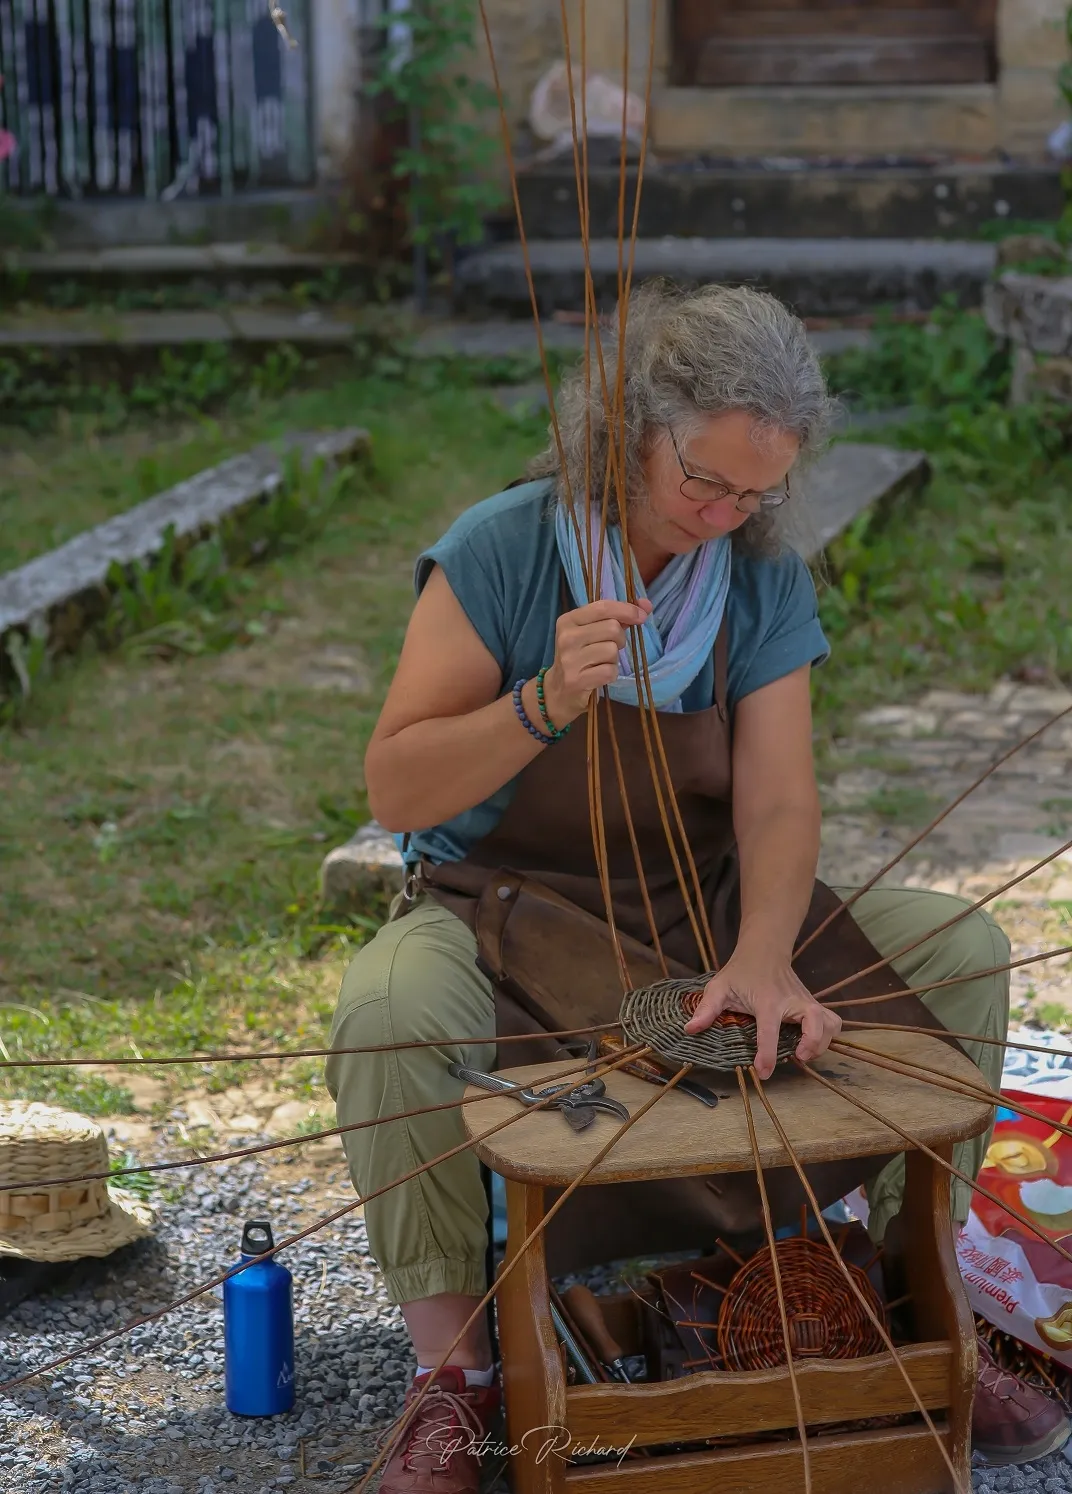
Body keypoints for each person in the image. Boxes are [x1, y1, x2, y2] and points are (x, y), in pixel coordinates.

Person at [325, 284, 1054, 1493]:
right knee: (386, 1014)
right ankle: (451, 1375)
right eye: (702, 483)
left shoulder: (756, 577)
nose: (724, 517)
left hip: (706, 907)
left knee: (959, 953)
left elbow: (774, 803)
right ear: (629, 431)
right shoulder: (505, 550)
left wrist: (764, 955)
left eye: (757, 493)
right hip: (505, 906)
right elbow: (397, 788)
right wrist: (541, 703)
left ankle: (897, 1298)